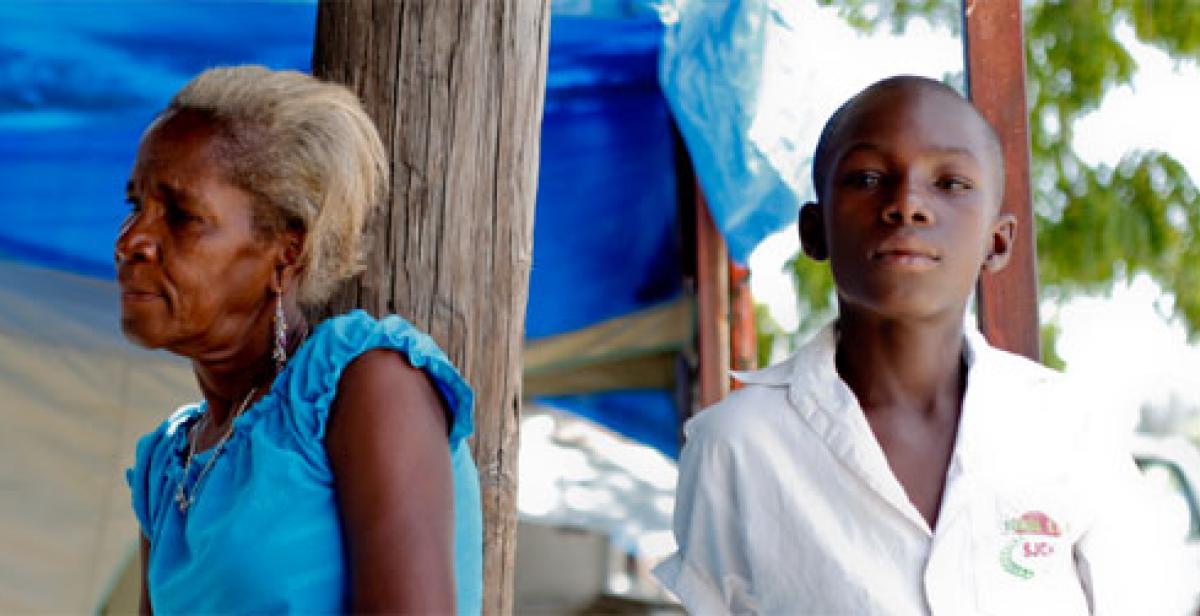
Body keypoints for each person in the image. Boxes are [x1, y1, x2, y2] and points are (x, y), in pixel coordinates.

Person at [654, 75, 1191, 614]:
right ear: (813, 231)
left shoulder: (1066, 430)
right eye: (866, 178)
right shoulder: (737, 445)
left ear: (996, 241)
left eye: (951, 184)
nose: (907, 204)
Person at [119, 65, 481, 614]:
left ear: (287, 249)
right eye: (134, 208)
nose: (132, 241)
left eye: (181, 216)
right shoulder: (168, 462)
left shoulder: (365, 383)